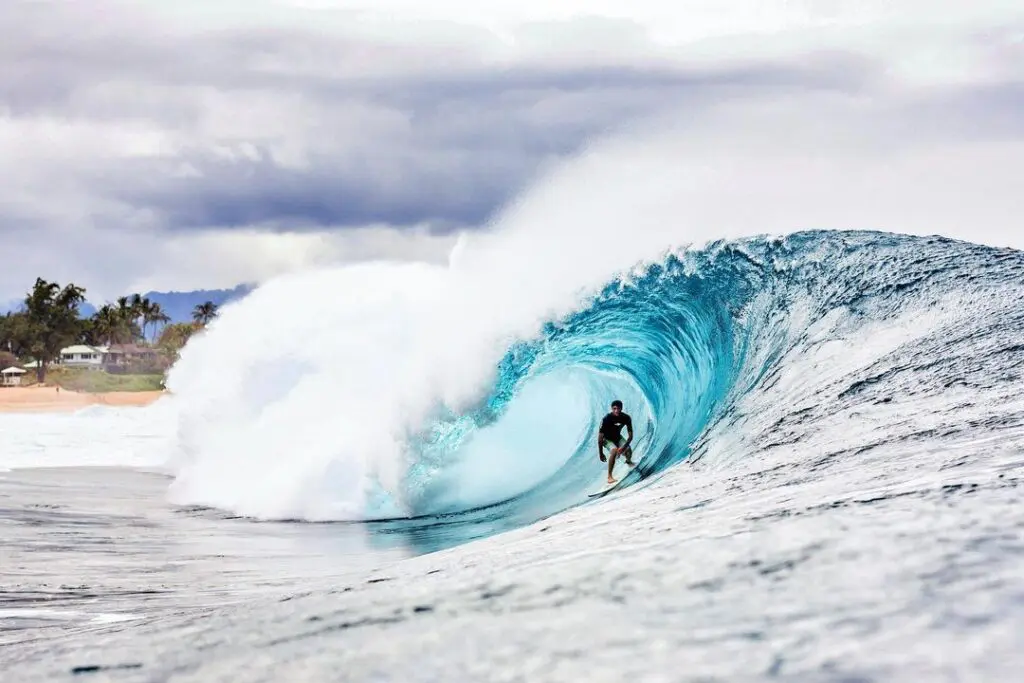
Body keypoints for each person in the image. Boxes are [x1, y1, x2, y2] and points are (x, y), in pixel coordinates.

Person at [598, 399, 633, 484]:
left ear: (621, 408)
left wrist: (623, 448)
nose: (616, 410)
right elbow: (599, 439)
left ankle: (628, 461)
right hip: (606, 439)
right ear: (611, 409)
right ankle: (609, 477)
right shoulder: (606, 419)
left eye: (618, 408)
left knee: (628, 450)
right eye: (614, 408)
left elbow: (630, 436)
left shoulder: (626, 418)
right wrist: (601, 454)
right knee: (614, 451)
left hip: (617, 437)